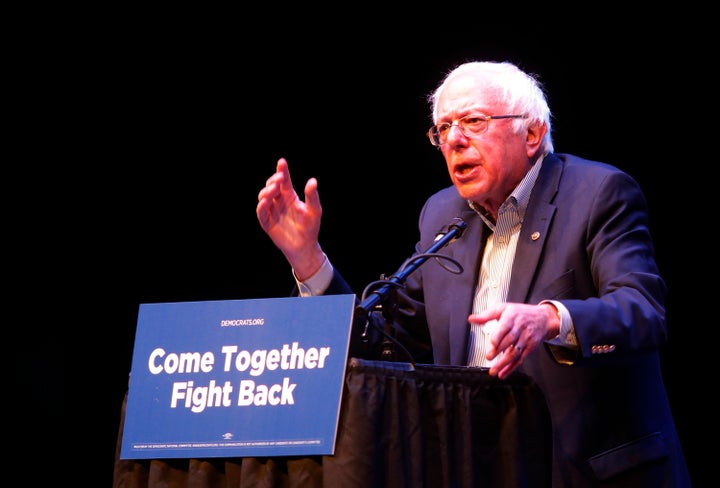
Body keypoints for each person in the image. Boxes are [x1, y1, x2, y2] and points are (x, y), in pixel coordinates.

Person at [256, 61, 691, 486]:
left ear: (533, 134)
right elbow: (384, 343)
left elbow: (642, 312)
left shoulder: (598, 194)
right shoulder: (442, 215)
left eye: (473, 121)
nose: (454, 140)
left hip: (582, 469)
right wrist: (308, 258)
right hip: (469, 465)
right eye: (442, 129)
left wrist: (549, 318)